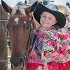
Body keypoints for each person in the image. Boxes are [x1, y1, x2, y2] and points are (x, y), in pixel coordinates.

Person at [26, 2, 70, 70]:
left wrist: (51, 67)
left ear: (55, 22)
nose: (46, 20)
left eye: (50, 18)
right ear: (40, 16)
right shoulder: (33, 33)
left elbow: (65, 59)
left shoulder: (59, 36)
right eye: (44, 16)